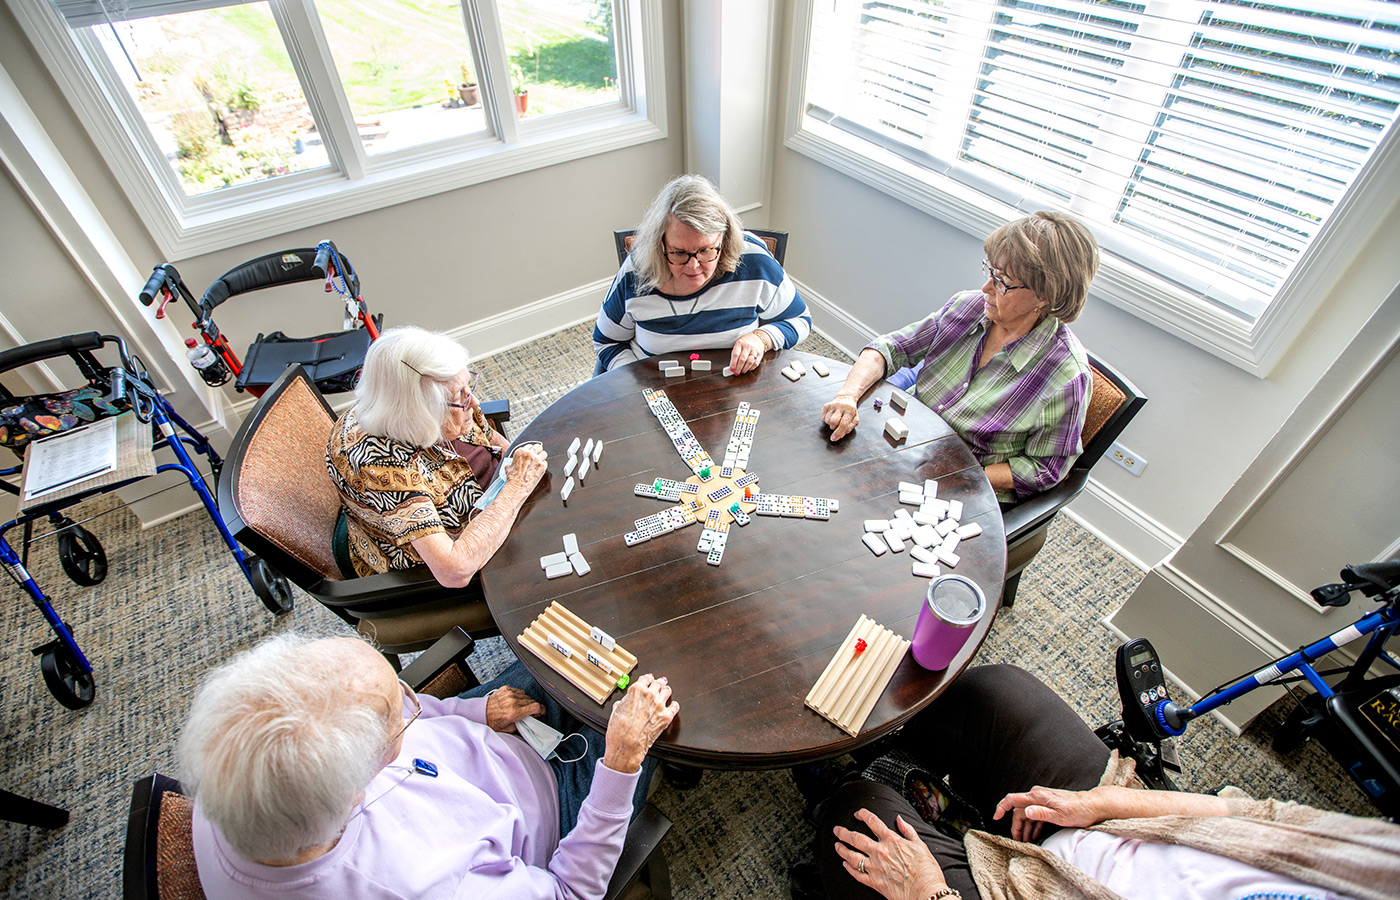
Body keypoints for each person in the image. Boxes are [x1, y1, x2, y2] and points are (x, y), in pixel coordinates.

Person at [793, 664, 1399, 900]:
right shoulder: (1383, 864)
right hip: (1122, 825)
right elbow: (1259, 817)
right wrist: (1106, 802)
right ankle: (908, 779)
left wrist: (930, 892)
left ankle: (862, 798)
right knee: (995, 692)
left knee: (855, 816)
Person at [181, 633, 680, 900]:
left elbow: (412, 713)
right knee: (668, 674)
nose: (412, 699)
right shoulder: (423, 888)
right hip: (562, 796)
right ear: (358, 787)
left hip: (487, 732)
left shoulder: (237, 758)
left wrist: (469, 710)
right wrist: (621, 761)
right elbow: (569, 894)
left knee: (599, 631)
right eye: (395, 713)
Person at [821, 212, 1097, 506]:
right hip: (907, 442)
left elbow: (1044, 470)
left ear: (1046, 295)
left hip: (965, 486)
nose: (986, 288)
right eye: (989, 271)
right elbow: (890, 348)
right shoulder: (967, 306)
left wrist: (960, 473)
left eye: (1002, 282)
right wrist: (848, 396)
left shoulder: (1067, 376)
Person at [326, 326, 547, 586]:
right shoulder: (384, 467)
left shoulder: (430, 399)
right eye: (461, 397)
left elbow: (488, 438)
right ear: (420, 415)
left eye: (468, 386)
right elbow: (455, 570)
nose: (474, 402)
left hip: (499, 495)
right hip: (456, 552)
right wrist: (517, 487)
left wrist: (517, 460)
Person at [593, 174, 811, 375]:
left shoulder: (755, 260)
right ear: (660, 243)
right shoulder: (637, 272)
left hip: (736, 385)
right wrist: (635, 384)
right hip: (655, 387)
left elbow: (799, 320)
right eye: (679, 253)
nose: (694, 267)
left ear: (724, 240)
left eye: (706, 250)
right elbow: (607, 342)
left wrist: (761, 339)